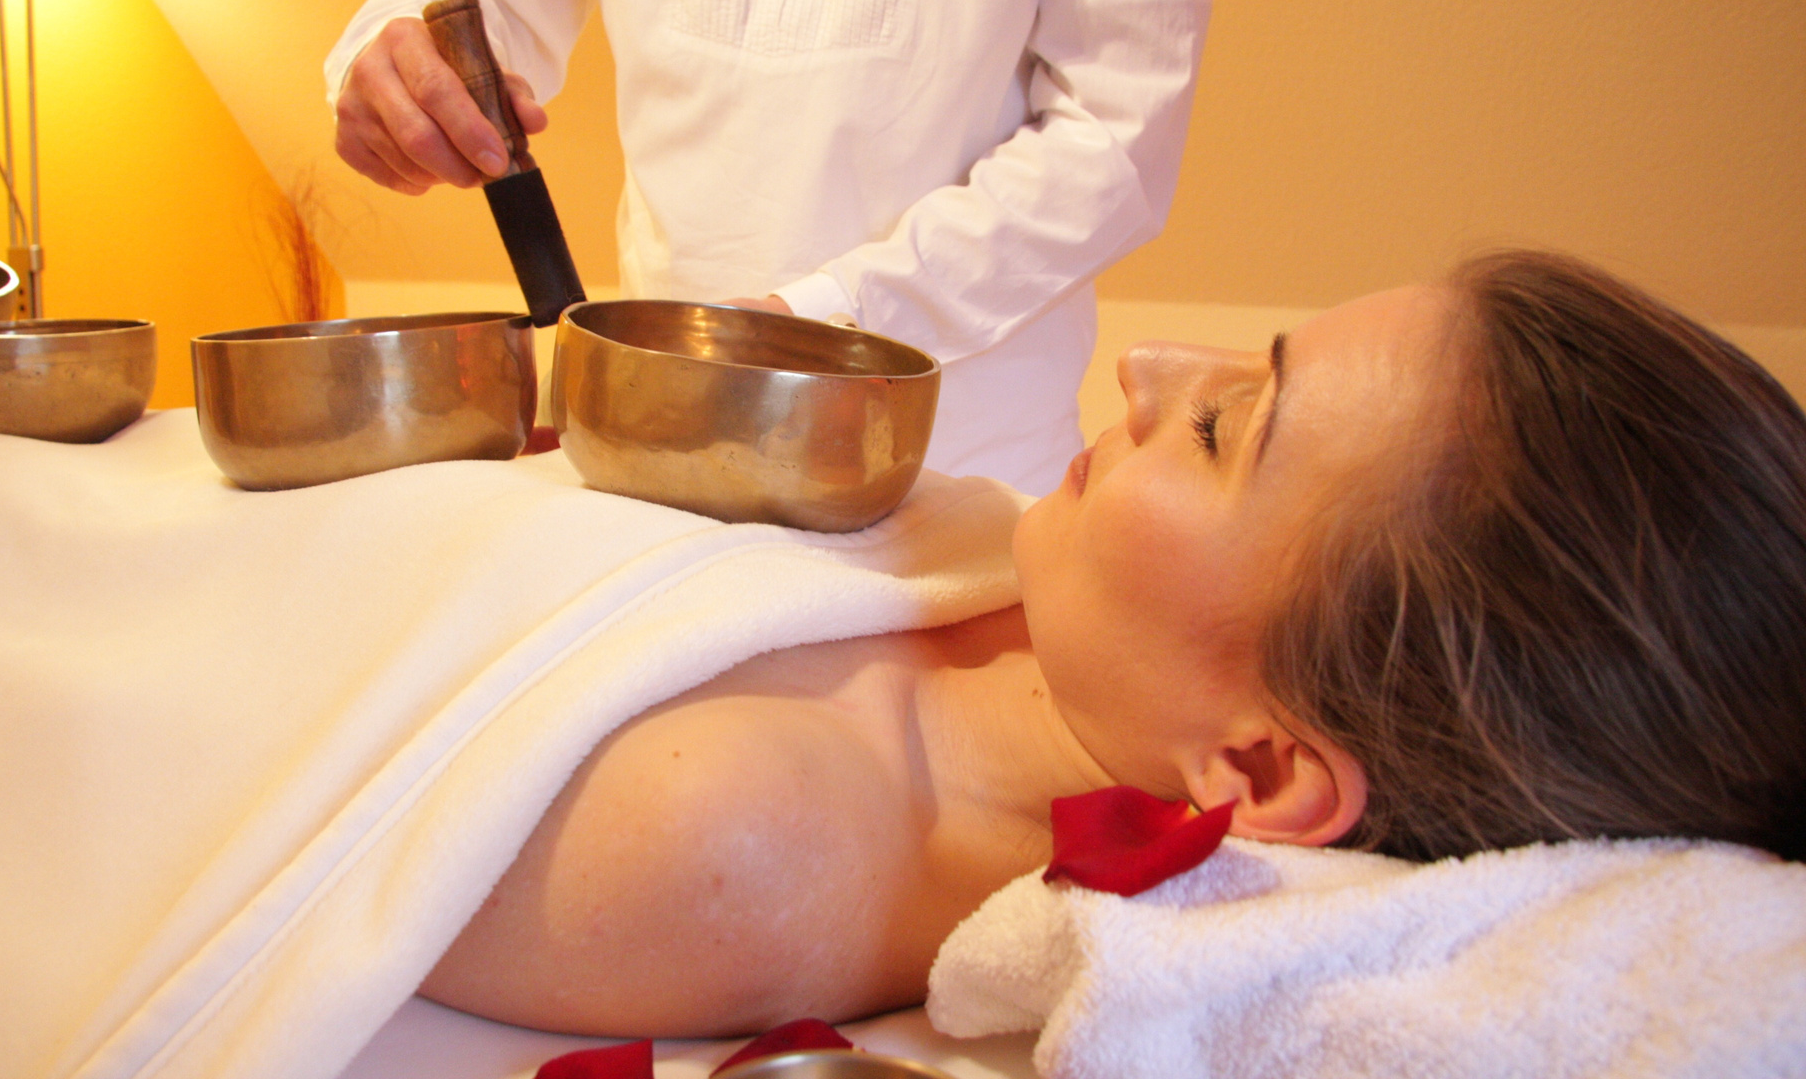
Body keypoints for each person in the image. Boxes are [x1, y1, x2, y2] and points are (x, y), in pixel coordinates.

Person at [416, 250, 1806, 1038]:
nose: (1151, 370)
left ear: (1257, 770)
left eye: (1223, 428)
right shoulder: (1020, 594)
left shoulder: (737, 838)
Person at [325, 0, 1217, 495]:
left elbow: (1111, 141)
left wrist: (815, 327)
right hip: (659, 462)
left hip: (956, 484)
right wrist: (393, 54)